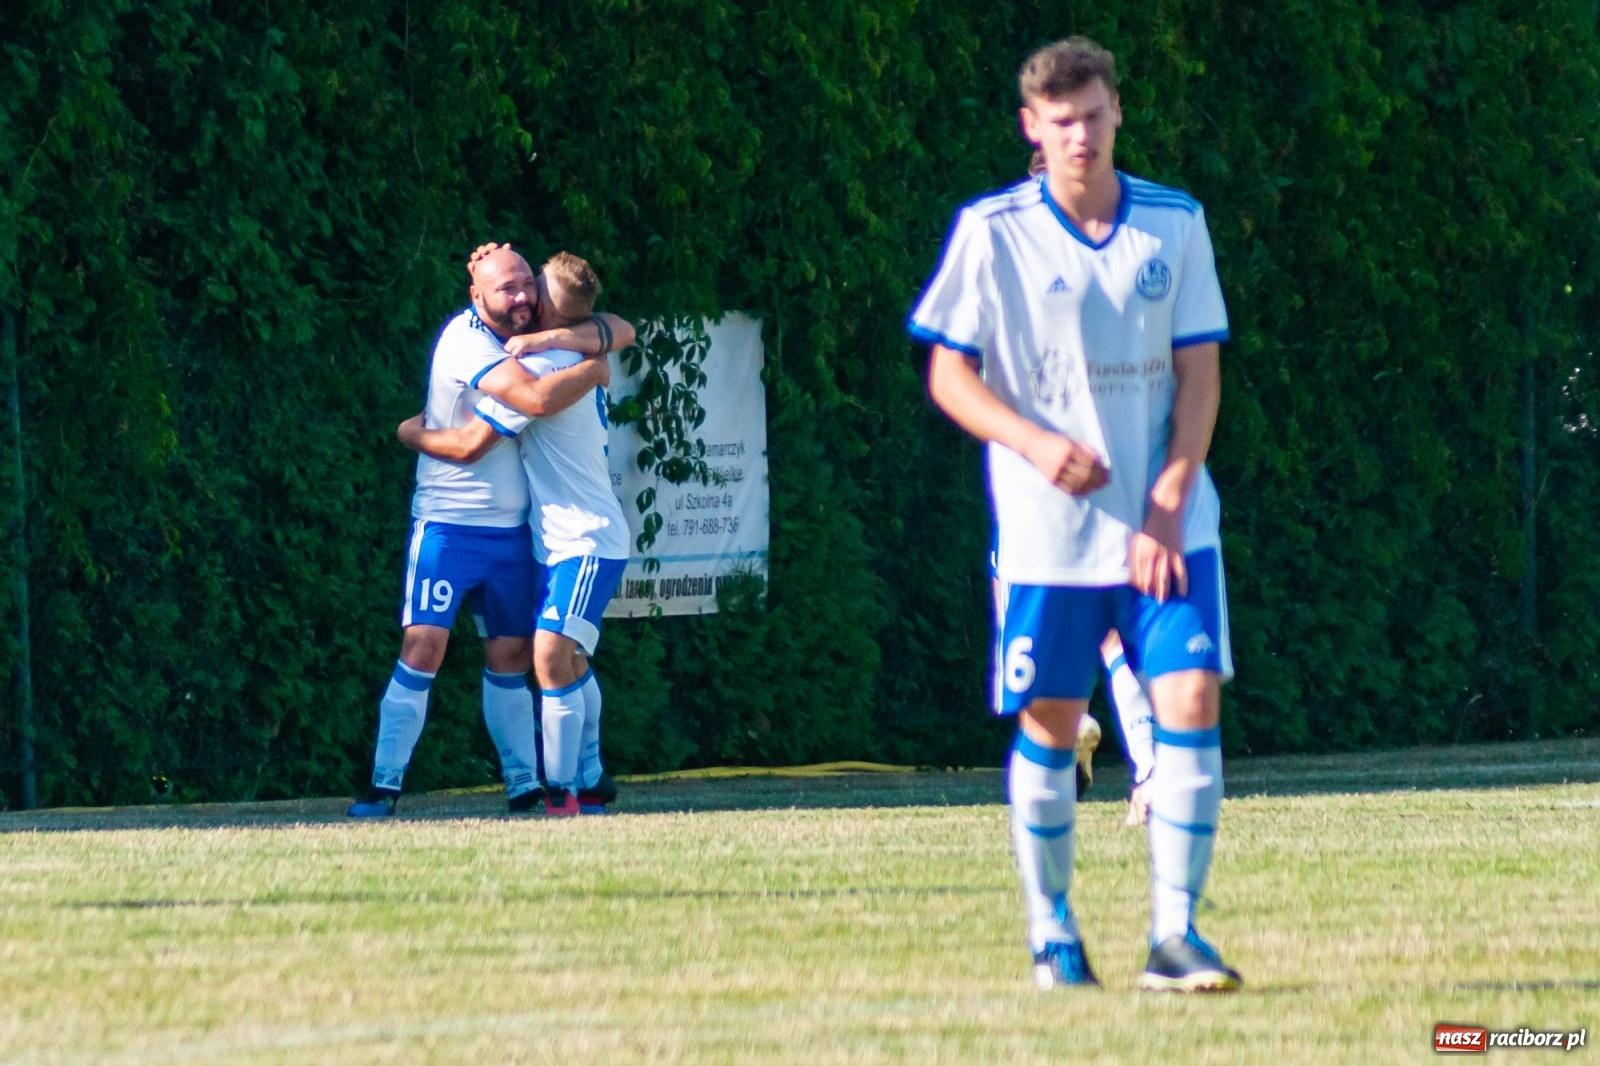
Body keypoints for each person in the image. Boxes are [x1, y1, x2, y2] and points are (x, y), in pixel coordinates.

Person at [912, 37, 1240, 992]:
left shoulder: (1174, 224)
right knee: (1054, 725)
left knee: (1190, 702)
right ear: (1033, 128)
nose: (1080, 134)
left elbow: (1201, 373)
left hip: (1168, 530)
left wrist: (1173, 493)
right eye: (1061, 121)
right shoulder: (993, 230)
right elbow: (948, 374)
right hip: (1049, 536)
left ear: (1117, 112)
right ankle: (1052, 930)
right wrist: (1031, 442)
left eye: (1094, 114)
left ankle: (1175, 937)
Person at [348, 244, 634, 818]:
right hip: (450, 525)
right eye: (507, 288)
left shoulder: (536, 348)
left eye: (527, 283)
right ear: (475, 295)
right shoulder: (468, 340)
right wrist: (588, 362)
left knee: (517, 657)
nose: (521, 295)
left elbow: (614, 328)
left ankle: (528, 785)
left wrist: (575, 349)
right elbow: (476, 440)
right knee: (425, 646)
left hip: (517, 534)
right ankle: (383, 785)